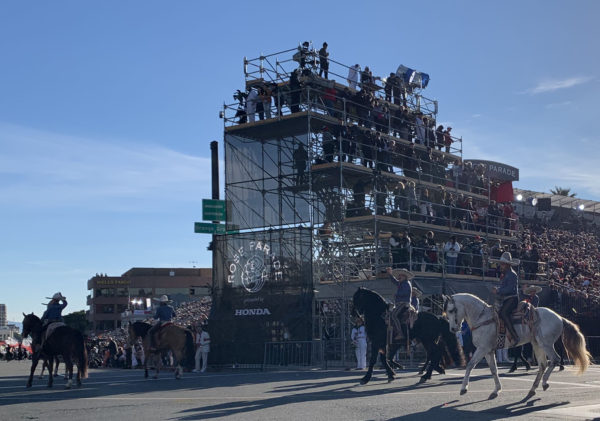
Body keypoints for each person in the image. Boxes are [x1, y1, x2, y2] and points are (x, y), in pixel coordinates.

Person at [491, 252, 521, 345]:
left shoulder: (512, 274)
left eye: (502, 264)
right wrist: (498, 289)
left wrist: (499, 290)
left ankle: (515, 336)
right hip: (507, 299)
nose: (501, 266)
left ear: (507, 265)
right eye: (501, 264)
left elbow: (511, 289)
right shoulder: (506, 274)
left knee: (503, 313)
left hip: (512, 299)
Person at [387, 267, 414, 339]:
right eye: (399, 276)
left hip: (404, 303)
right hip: (400, 303)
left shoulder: (406, 283)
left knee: (393, 315)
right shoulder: (402, 283)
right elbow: (394, 281)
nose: (399, 277)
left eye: (400, 276)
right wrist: (390, 274)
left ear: (405, 277)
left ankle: (400, 333)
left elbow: (405, 293)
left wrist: (396, 295)